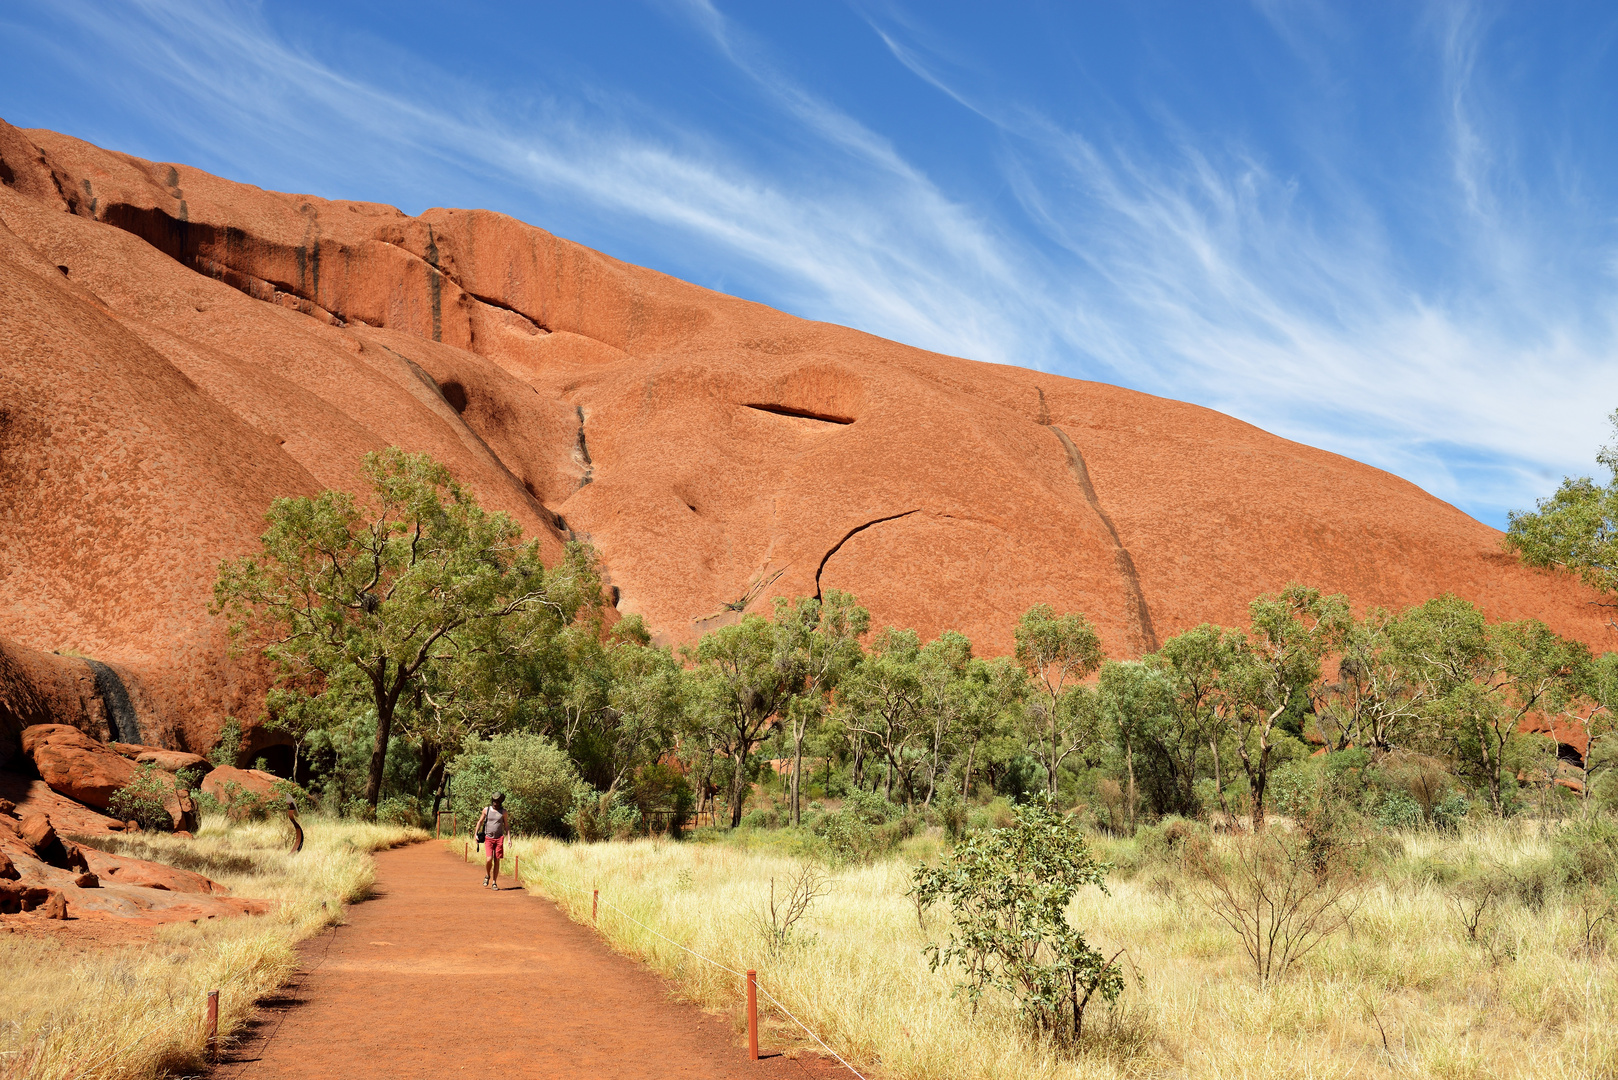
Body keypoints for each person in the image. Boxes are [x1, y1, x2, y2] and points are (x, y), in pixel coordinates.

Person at [474, 793, 508, 890]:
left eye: (497, 801)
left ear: (500, 802)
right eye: (493, 800)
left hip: (499, 838)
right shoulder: (486, 810)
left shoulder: (503, 812)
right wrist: (475, 834)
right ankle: (487, 875)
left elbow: (506, 826)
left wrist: (509, 838)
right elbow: (480, 821)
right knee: (489, 859)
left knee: (497, 860)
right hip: (488, 838)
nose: (495, 803)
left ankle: (494, 882)